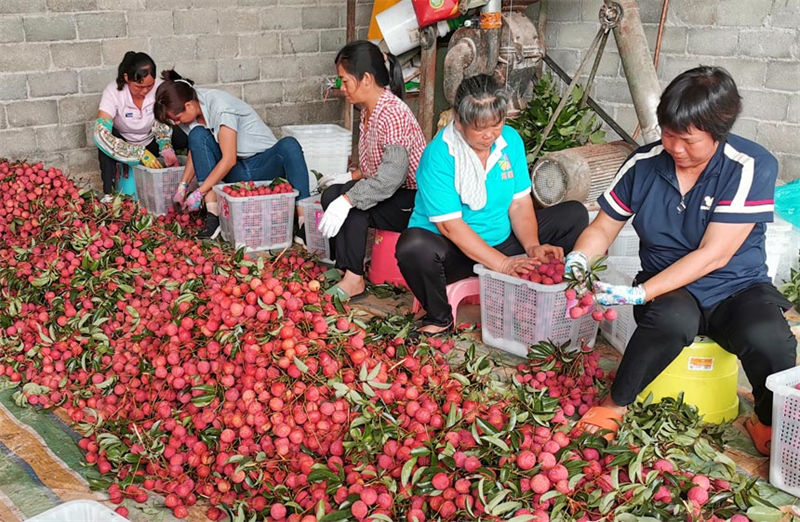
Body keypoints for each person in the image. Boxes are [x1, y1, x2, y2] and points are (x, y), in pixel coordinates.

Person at [566, 66, 796, 454]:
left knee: (770, 339)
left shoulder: (750, 165)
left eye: (687, 139)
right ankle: (615, 404)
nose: (673, 147)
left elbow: (714, 254)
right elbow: (603, 228)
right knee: (669, 319)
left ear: (717, 132)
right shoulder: (644, 163)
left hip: (735, 286)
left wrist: (639, 293)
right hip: (670, 287)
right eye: (667, 133)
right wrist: (579, 258)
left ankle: (766, 421)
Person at [396, 74, 589, 335]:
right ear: (459, 122)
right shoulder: (439, 155)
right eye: (479, 127)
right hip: (455, 252)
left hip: (502, 239)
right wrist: (502, 264)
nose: (489, 135)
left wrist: (532, 246)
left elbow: (519, 205)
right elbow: (450, 226)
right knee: (413, 246)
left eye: (496, 125)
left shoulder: (509, 141)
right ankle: (439, 318)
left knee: (574, 215)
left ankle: (542, 299)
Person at [317, 41, 427, 301]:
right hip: (391, 190)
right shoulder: (369, 110)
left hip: (411, 199)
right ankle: (344, 267)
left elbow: (391, 177)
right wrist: (350, 178)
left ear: (365, 78)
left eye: (345, 81)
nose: (342, 88)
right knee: (332, 194)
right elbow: (373, 167)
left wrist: (349, 198)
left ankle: (355, 279)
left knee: (354, 206)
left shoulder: (392, 114)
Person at [153, 70, 311, 239]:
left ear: (189, 105)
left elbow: (228, 159)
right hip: (237, 172)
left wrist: (200, 192)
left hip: (263, 166)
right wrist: (182, 186)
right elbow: (197, 148)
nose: (177, 123)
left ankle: (303, 224)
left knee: (289, 145)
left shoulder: (220, 107)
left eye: (177, 118)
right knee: (197, 135)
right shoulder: (190, 111)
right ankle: (213, 219)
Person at [94, 51, 187, 202]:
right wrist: (137, 154)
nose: (144, 91)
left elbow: (163, 119)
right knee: (104, 143)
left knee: (188, 133)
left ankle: (190, 184)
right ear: (126, 78)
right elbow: (100, 133)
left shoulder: (159, 88)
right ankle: (109, 195)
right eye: (138, 86)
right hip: (125, 142)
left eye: (149, 86)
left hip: (152, 140)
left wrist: (165, 146)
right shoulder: (113, 92)